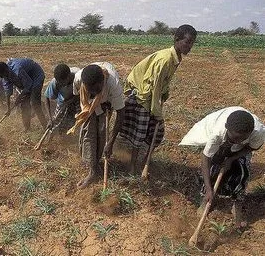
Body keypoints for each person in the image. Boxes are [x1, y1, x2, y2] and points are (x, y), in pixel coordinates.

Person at [119, 24, 197, 174]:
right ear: (176, 39)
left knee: (157, 133)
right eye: (187, 42)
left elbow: (162, 83)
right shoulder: (166, 59)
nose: (190, 46)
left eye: (192, 43)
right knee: (140, 133)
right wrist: (157, 113)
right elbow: (153, 87)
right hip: (142, 95)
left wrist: (164, 93)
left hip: (150, 95)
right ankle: (133, 166)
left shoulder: (175, 57)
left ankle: (144, 162)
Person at [179, 107, 265, 228]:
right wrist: (209, 189)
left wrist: (231, 159)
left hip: (241, 149)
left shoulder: (258, 131)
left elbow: (253, 147)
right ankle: (206, 199)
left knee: (242, 173)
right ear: (226, 127)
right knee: (214, 168)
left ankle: (237, 205)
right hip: (222, 142)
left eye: (242, 138)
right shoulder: (217, 133)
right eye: (236, 138)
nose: (238, 141)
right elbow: (206, 158)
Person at [68, 62, 125, 188]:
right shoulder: (78, 78)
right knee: (88, 131)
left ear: (102, 82)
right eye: (90, 90)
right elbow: (76, 96)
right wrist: (83, 113)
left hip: (106, 103)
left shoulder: (113, 84)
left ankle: (97, 162)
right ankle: (92, 170)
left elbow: (121, 113)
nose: (94, 92)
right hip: (88, 105)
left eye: (96, 91)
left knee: (102, 132)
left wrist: (111, 142)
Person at [0, 58, 47, 131]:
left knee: (34, 103)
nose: (2, 78)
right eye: (0, 76)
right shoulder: (5, 75)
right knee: (24, 105)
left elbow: (28, 85)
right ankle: (27, 128)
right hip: (26, 80)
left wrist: (19, 97)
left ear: (5, 70)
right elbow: (7, 92)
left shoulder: (18, 70)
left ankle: (46, 127)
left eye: (2, 75)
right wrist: (8, 109)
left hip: (36, 76)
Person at [44, 64, 80, 134]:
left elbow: (83, 93)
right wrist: (50, 119)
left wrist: (71, 100)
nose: (61, 84)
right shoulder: (55, 82)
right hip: (63, 101)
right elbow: (47, 98)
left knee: (79, 119)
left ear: (69, 76)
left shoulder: (78, 77)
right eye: (59, 82)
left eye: (63, 82)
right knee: (55, 125)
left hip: (78, 100)